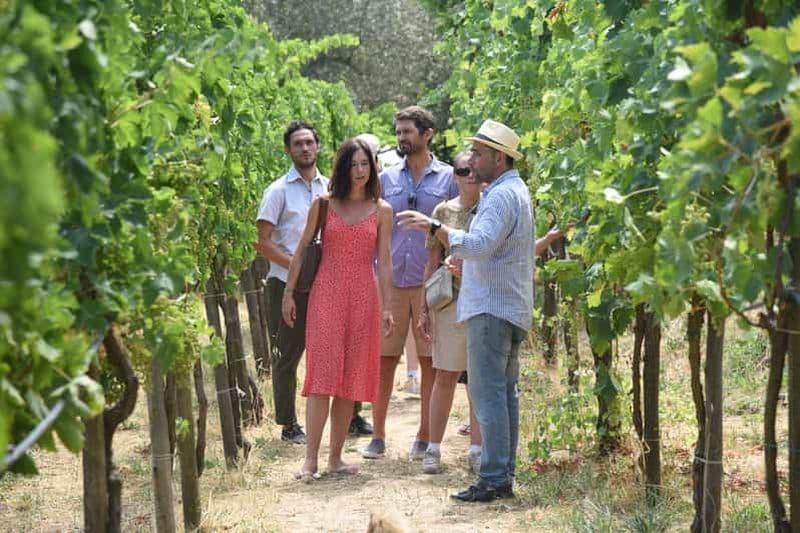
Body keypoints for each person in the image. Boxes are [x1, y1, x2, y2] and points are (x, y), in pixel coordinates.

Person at [398, 119, 565, 502]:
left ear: (498, 157)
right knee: (503, 395)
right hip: (508, 306)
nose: (471, 159)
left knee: (489, 395)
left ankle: (492, 478)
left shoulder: (501, 196)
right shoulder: (514, 191)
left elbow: (479, 245)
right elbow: (495, 250)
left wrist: (436, 228)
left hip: (491, 309)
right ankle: (501, 474)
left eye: (478, 152)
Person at [282, 138, 394, 480]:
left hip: (364, 297)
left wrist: (387, 307)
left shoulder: (382, 210)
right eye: (354, 164)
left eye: (365, 165)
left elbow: (385, 262)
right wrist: (288, 293)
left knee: (350, 379)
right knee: (321, 377)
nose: (360, 171)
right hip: (326, 295)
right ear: (343, 167)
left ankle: (335, 459)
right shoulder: (324, 204)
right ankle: (310, 460)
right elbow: (301, 250)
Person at [361, 106, 458, 461]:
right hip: (391, 282)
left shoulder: (448, 178)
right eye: (398, 132)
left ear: (427, 134)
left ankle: (424, 435)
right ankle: (379, 434)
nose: (401, 137)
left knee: (431, 361)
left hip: (430, 282)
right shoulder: (386, 178)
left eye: (407, 132)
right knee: (384, 361)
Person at [256, 121, 328, 445]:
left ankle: (347, 415)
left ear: (318, 146)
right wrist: (297, 266)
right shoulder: (277, 191)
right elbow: (262, 242)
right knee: (287, 355)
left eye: (309, 142)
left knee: (329, 350)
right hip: (285, 283)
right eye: (297, 144)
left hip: (324, 285)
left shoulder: (330, 189)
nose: (304, 148)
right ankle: (288, 424)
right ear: (288, 150)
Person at [416, 152, 482, 475]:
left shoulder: (492, 208)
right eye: (463, 170)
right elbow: (430, 261)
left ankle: (477, 450)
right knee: (445, 374)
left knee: (480, 380)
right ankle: (433, 448)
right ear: (454, 175)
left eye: (474, 168)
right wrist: (423, 308)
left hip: (484, 301)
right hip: (450, 303)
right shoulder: (442, 212)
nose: (470, 174)